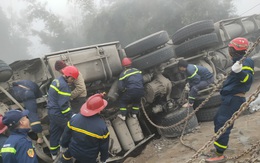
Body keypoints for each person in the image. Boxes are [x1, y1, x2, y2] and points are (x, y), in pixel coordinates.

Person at [206, 37, 254, 163]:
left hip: (234, 99)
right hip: (230, 98)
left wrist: (239, 72)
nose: (228, 51)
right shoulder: (238, 62)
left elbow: (247, 79)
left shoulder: (245, 61)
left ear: (234, 50)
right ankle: (219, 148)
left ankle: (219, 155)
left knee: (222, 124)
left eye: (230, 49)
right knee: (218, 120)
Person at [59, 93, 110, 163]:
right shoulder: (102, 128)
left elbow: (66, 134)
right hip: (88, 158)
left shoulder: (75, 119)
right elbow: (104, 147)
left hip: (73, 151)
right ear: (99, 110)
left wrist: (63, 145)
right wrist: (103, 159)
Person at [47, 65, 79, 160]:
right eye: (72, 79)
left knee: (55, 132)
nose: (72, 81)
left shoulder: (56, 80)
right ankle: (65, 149)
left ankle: (53, 154)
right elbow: (63, 106)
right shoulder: (64, 86)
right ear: (68, 76)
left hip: (51, 111)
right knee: (69, 130)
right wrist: (72, 115)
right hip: (58, 113)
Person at [11, 80, 43, 144]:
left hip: (19, 92)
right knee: (33, 114)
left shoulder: (20, 86)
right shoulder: (32, 90)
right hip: (26, 93)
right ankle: (39, 137)